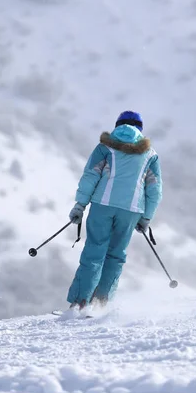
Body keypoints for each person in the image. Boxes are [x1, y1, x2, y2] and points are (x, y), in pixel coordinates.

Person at [66, 110, 163, 310]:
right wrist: (146, 217)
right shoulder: (150, 155)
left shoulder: (105, 148)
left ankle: (80, 304)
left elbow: (90, 176)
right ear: (140, 129)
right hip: (131, 210)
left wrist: (80, 205)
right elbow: (154, 189)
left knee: (94, 252)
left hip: (103, 204)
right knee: (116, 255)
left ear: (117, 125)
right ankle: (101, 305)